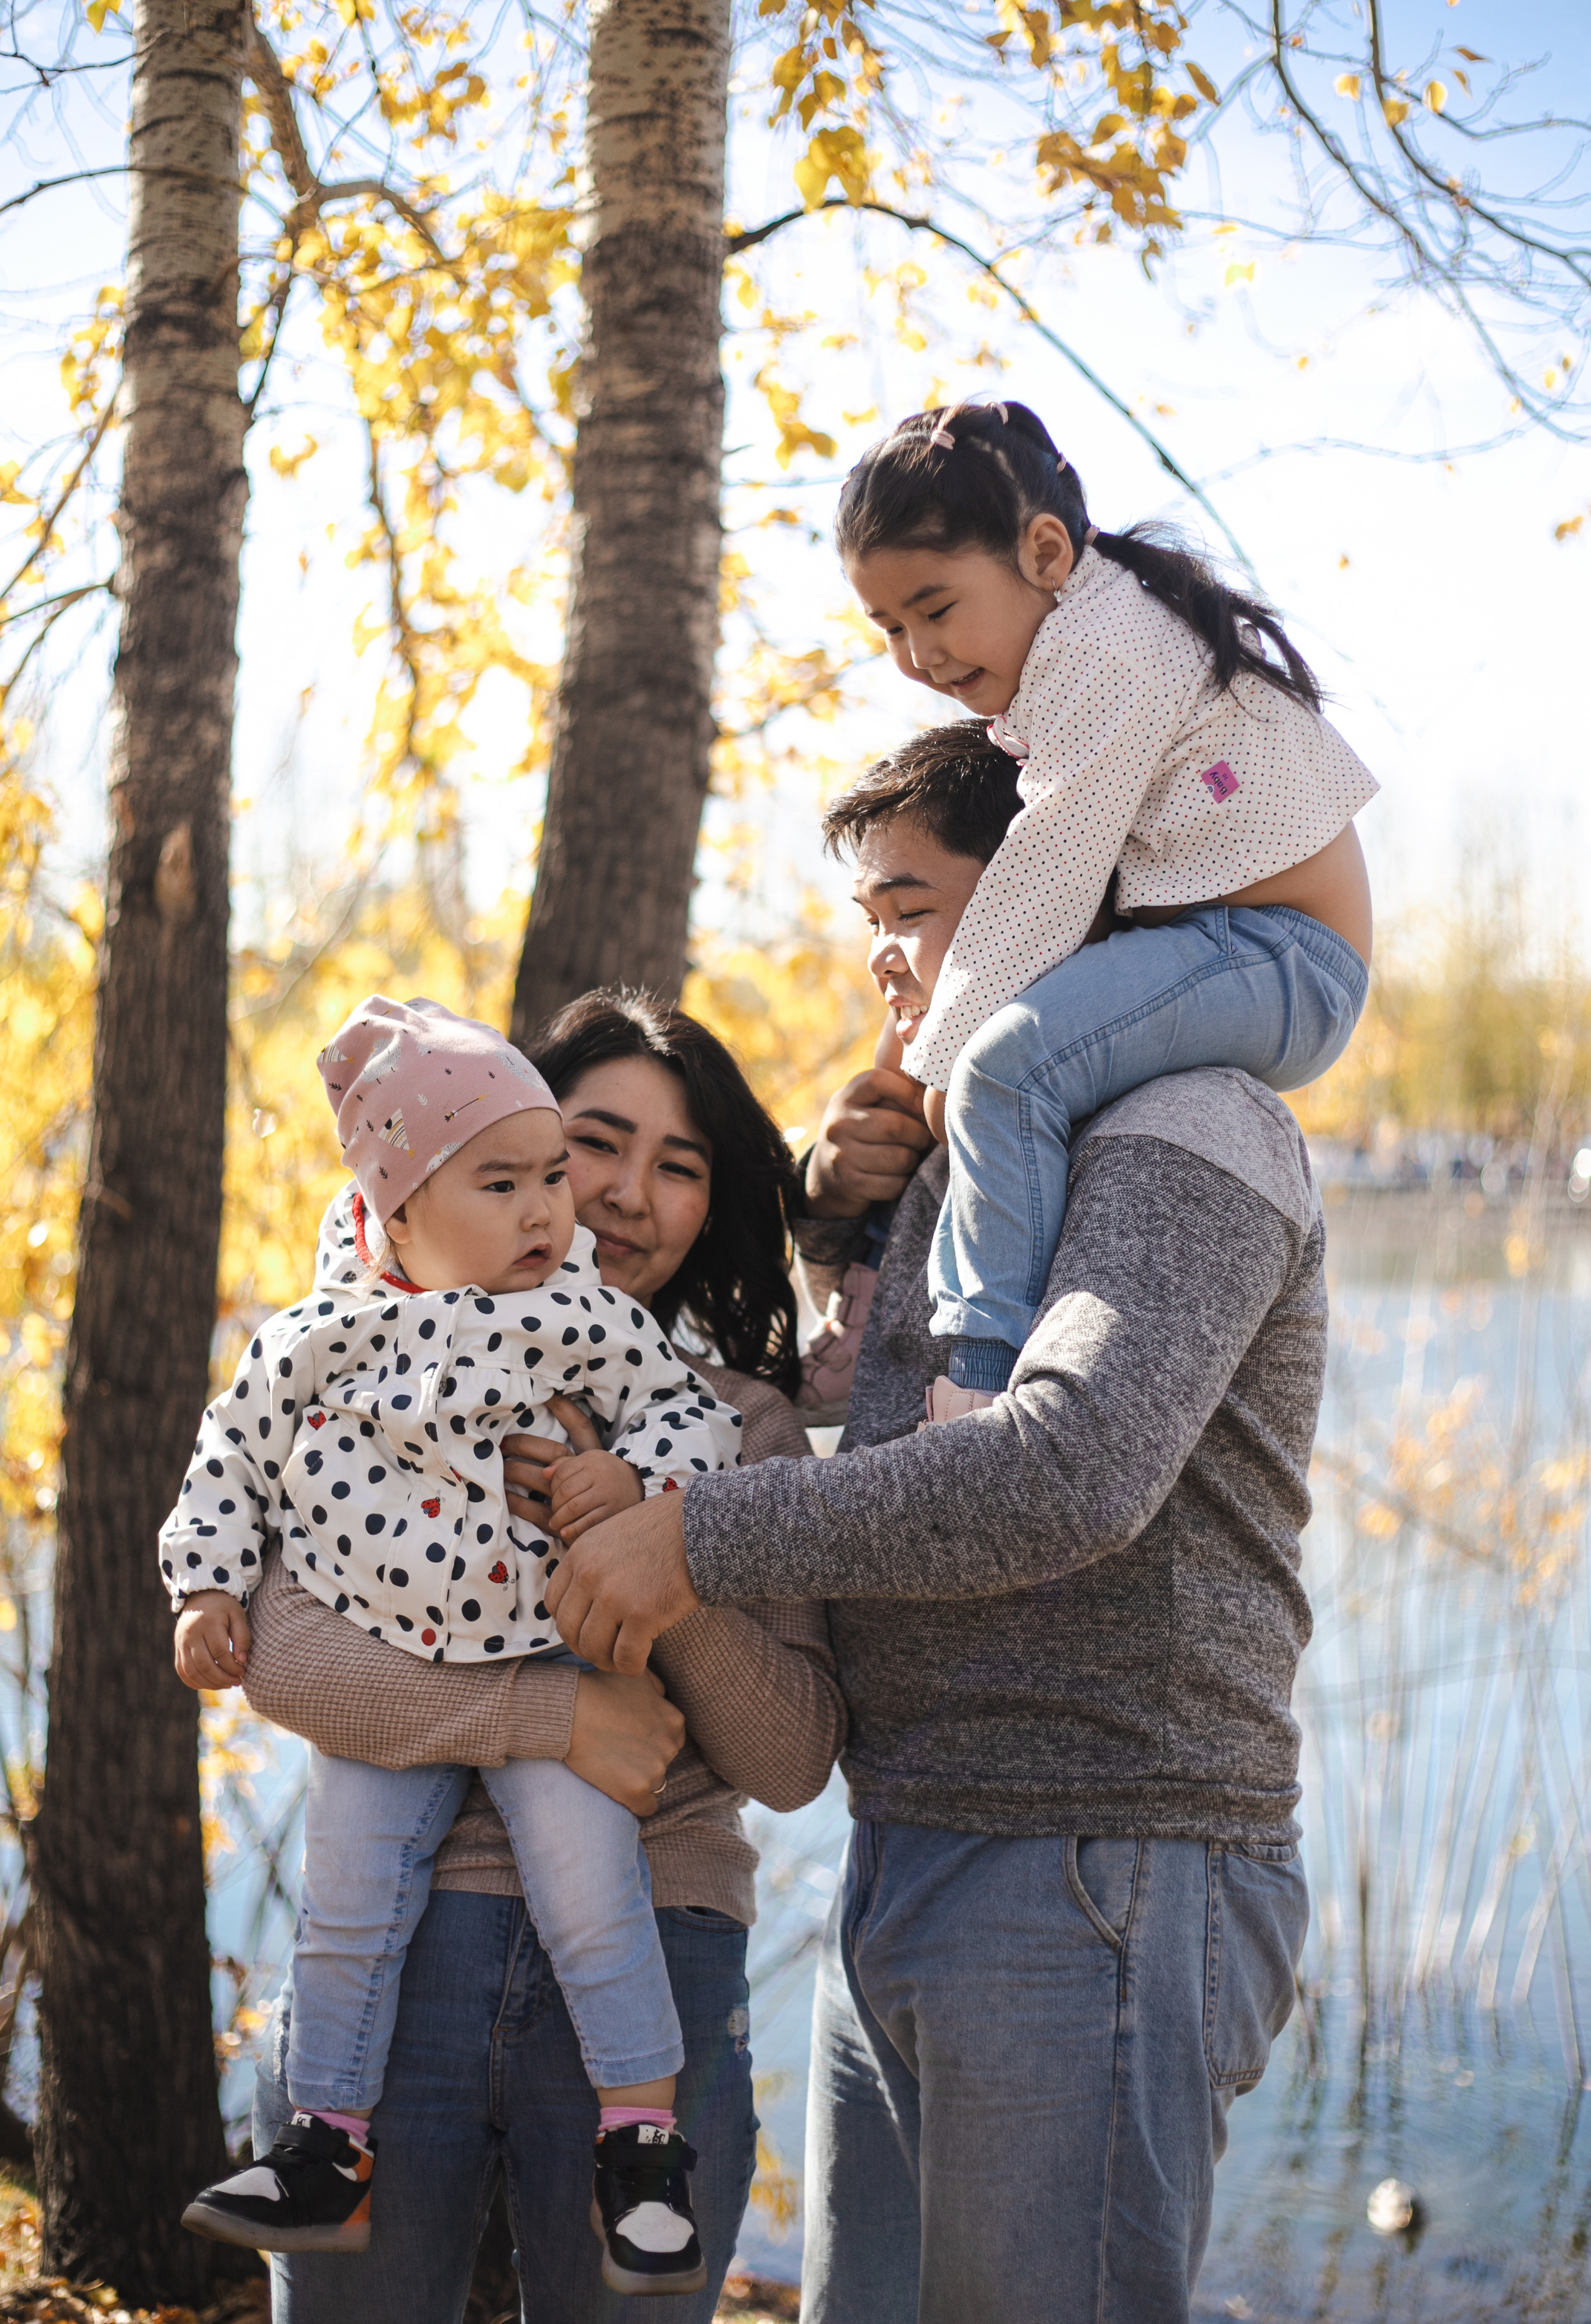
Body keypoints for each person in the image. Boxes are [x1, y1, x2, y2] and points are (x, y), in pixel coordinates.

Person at [543, 725, 1326, 2324]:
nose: (883, 967)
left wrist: (693, 1541)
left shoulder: (1185, 1125)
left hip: (1100, 1869)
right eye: (867, 926)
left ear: (1051, 892)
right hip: (912, 1852)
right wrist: (844, 1213)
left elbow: (1064, 1470)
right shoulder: (991, 1157)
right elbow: (868, 1405)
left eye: (906, 911)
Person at [243, 990, 846, 2323]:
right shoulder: (371, 1373)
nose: (623, 1195)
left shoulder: (741, 1430)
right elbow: (279, 1655)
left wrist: (663, 1559)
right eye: (591, 1144)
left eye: (678, 1166)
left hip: (661, 1958)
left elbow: (795, 1756)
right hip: (401, 1970)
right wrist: (546, 1717)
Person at [835, 398, 1377, 1407]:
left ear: (1044, 551)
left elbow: (1039, 885)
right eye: (890, 626)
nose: (918, 654)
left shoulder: (1105, 656)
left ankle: (982, 1380)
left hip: (1282, 958)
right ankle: (933, 1327)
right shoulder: (1091, 633)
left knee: (1002, 1069)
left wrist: (936, 1067)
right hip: (1234, 944)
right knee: (991, 1059)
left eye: (937, 608)